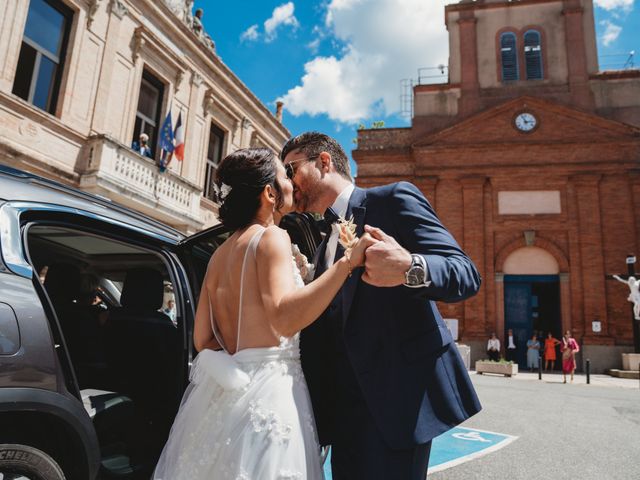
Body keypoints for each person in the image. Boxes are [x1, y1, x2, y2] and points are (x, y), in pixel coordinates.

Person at [153, 148, 374, 479]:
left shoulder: (218, 255)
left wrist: (238, 367)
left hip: (223, 398)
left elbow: (203, 338)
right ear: (269, 193)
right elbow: (284, 319)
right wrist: (346, 263)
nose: (291, 181)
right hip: (272, 392)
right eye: (284, 176)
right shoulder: (272, 237)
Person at [282, 132, 481, 480]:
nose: (287, 182)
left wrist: (410, 267)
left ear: (324, 162)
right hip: (342, 414)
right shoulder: (322, 245)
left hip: (396, 405)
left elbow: (465, 274)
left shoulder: (393, 199)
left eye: (291, 169)